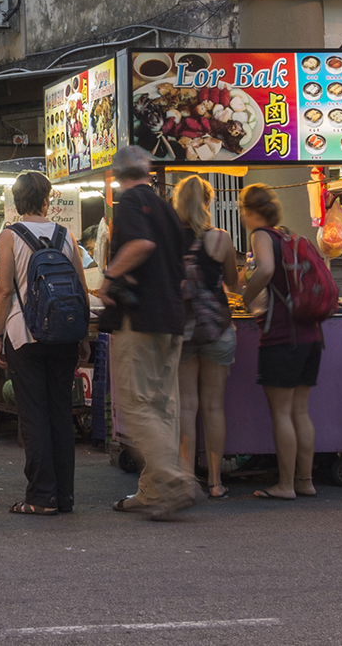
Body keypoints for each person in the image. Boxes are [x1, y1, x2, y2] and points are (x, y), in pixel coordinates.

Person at [101, 146, 197, 519]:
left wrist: (109, 278)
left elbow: (142, 245)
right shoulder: (166, 207)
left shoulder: (129, 203)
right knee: (162, 407)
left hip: (141, 320)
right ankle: (152, 491)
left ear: (116, 175)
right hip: (172, 319)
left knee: (138, 405)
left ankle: (174, 482)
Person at [0, 169, 87, 515]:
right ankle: (64, 496)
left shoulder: (10, 236)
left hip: (24, 335)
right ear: (48, 200)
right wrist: (81, 336)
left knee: (34, 415)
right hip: (63, 333)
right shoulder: (66, 235)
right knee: (61, 413)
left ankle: (40, 496)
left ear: (17, 201)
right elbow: (79, 287)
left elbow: (3, 289)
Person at [239, 184, 322, 502]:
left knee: (282, 414)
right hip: (310, 335)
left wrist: (245, 297)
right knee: (301, 412)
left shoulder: (262, 235)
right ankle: (305, 480)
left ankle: (285, 485)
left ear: (250, 211)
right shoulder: (290, 236)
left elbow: (266, 270)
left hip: (282, 335)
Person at [173, 175, 241, 500]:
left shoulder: (169, 239)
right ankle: (215, 482)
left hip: (184, 331)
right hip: (218, 329)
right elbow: (233, 283)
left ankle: (187, 480)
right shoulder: (222, 239)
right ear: (208, 202)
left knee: (187, 406)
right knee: (214, 407)